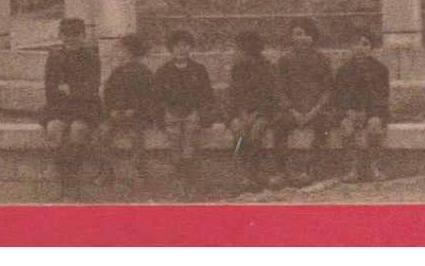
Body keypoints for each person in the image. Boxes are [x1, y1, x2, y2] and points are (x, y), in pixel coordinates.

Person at [40, 17, 102, 199]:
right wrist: (71, 90)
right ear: (61, 36)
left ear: (83, 36)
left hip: (85, 106)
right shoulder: (55, 56)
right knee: (53, 130)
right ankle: (65, 180)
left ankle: (71, 181)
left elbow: (93, 86)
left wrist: (71, 89)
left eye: (76, 35)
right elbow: (50, 87)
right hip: (60, 106)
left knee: (78, 130)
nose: (71, 39)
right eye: (66, 35)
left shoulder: (90, 56)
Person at [272, 21, 335, 187]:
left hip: (316, 109)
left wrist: (315, 109)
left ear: (313, 37)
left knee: (323, 126)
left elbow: (328, 89)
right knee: (279, 124)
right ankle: (281, 171)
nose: (302, 38)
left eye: (306, 34)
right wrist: (292, 110)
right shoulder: (284, 60)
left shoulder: (323, 59)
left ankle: (310, 170)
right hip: (292, 109)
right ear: (291, 37)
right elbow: (280, 89)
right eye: (297, 34)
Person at [152, 28, 216, 189]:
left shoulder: (198, 69)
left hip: (192, 110)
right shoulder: (163, 71)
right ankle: (177, 164)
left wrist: (200, 111)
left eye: (185, 46)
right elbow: (158, 97)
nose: (181, 49)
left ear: (190, 48)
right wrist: (165, 112)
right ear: (171, 49)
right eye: (177, 46)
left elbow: (207, 94)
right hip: (172, 111)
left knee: (191, 125)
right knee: (173, 128)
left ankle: (188, 163)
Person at [225, 31, 287, 190]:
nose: (239, 52)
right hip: (241, 113)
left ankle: (256, 171)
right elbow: (233, 95)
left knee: (256, 132)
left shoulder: (268, 68)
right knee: (238, 132)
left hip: (263, 113)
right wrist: (240, 114)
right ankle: (246, 173)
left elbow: (271, 96)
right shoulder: (237, 69)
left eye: (241, 49)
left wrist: (257, 114)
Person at [331, 30, 391, 183]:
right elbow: (338, 97)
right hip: (349, 112)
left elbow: (381, 96)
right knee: (346, 126)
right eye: (355, 44)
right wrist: (349, 112)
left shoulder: (380, 69)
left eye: (365, 44)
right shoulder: (343, 70)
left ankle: (375, 167)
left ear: (371, 47)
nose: (360, 48)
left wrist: (367, 112)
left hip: (373, 111)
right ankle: (352, 168)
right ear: (350, 47)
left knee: (374, 125)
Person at [99, 34, 157, 187]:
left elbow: (148, 97)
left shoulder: (144, 73)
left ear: (133, 53)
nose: (119, 54)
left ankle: (137, 171)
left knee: (135, 135)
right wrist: (111, 110)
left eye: (122, 51)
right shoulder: (117, 73)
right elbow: (108, 93)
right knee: (103, 132)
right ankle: (107, 169)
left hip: (137, 115)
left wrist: (134, 110)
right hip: (116, 113)